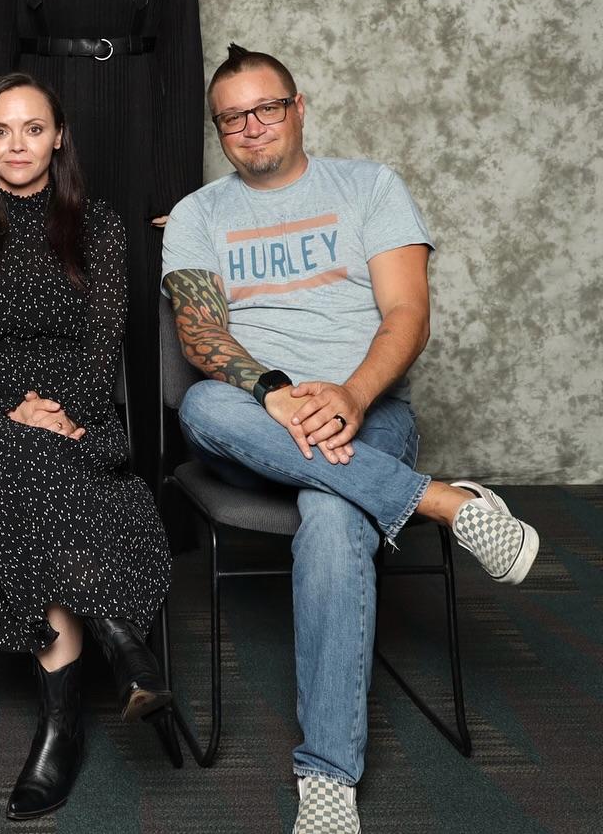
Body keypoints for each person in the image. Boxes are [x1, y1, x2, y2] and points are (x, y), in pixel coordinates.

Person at [162, 44, 540, 834]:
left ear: (299, 108)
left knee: (332, 515)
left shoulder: (371, 187)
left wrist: (352, 394)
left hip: (373, 410)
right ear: (218, 130)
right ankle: (444, 503)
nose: (251, 127)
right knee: (201, 406)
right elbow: (200, 335)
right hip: (257, 419)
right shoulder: (199, 213)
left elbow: (409, 315)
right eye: (231, 118)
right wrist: (276, 393)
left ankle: (327, 775)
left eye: (266, 108)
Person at [0, 73, 172, 821]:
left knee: (44, 471)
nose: (16, 145)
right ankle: (119, 638)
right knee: (37, 463)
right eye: (0, 131)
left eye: (33, 129)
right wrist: (18, 409)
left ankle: (60, 726)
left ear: (59, 136)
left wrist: (61, 414)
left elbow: (104, 348)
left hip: (78, 418)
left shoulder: (99, 226)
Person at [0, 0, 205, 504]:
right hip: (42, 134)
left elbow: (182, 57)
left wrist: (177, 187)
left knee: (135, 310)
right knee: (49, 301)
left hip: (136, 127)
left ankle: (144, 494)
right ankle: (54, 481)